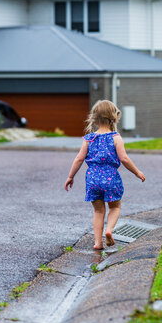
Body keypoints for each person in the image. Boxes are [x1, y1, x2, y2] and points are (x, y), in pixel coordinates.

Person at [64, 100, 145, 250]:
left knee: (98, 211)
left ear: (94, 118)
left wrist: (70, 176)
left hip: (93, 179)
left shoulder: (89, 139)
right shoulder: (116, 138)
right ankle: (109, 230)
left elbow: (79, 159)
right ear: (113, 118)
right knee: (115, 207)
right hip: (110, 178)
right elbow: (124, 159)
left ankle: (97, 242)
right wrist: (137, 172)